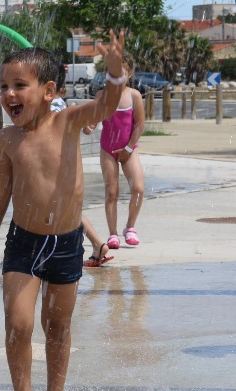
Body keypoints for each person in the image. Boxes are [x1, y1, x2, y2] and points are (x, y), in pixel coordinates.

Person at [0, 31, 126, 391]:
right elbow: (1, 189)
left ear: (48, 90)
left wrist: (114, 70)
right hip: (23, 242)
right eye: (4, 86)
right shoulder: (7, 139)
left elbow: (106, 107)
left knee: (57, 325)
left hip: (65, 243)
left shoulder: (68, 122)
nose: (10, 93)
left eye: (20, 85)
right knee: (18, 322)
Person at [50, 63, 112, 267]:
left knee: (63, 208)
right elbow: (81, 127)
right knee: (66, 208)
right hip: (65, 163)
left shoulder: (51, 105)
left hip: (54, 165)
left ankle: (95, 243)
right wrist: (88, 125)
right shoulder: (62, 104)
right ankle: (96, 244)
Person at [85, 54, 145, 250]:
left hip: (129, 147)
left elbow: (139, 125)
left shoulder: (134, 95)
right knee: (112, 192)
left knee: (138, 188)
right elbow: (92, 121)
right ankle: (113, 233)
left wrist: (128, 149)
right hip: (108, 149)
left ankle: (130, 227)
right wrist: (88, 127)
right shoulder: (102, 96)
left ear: (129, 74)